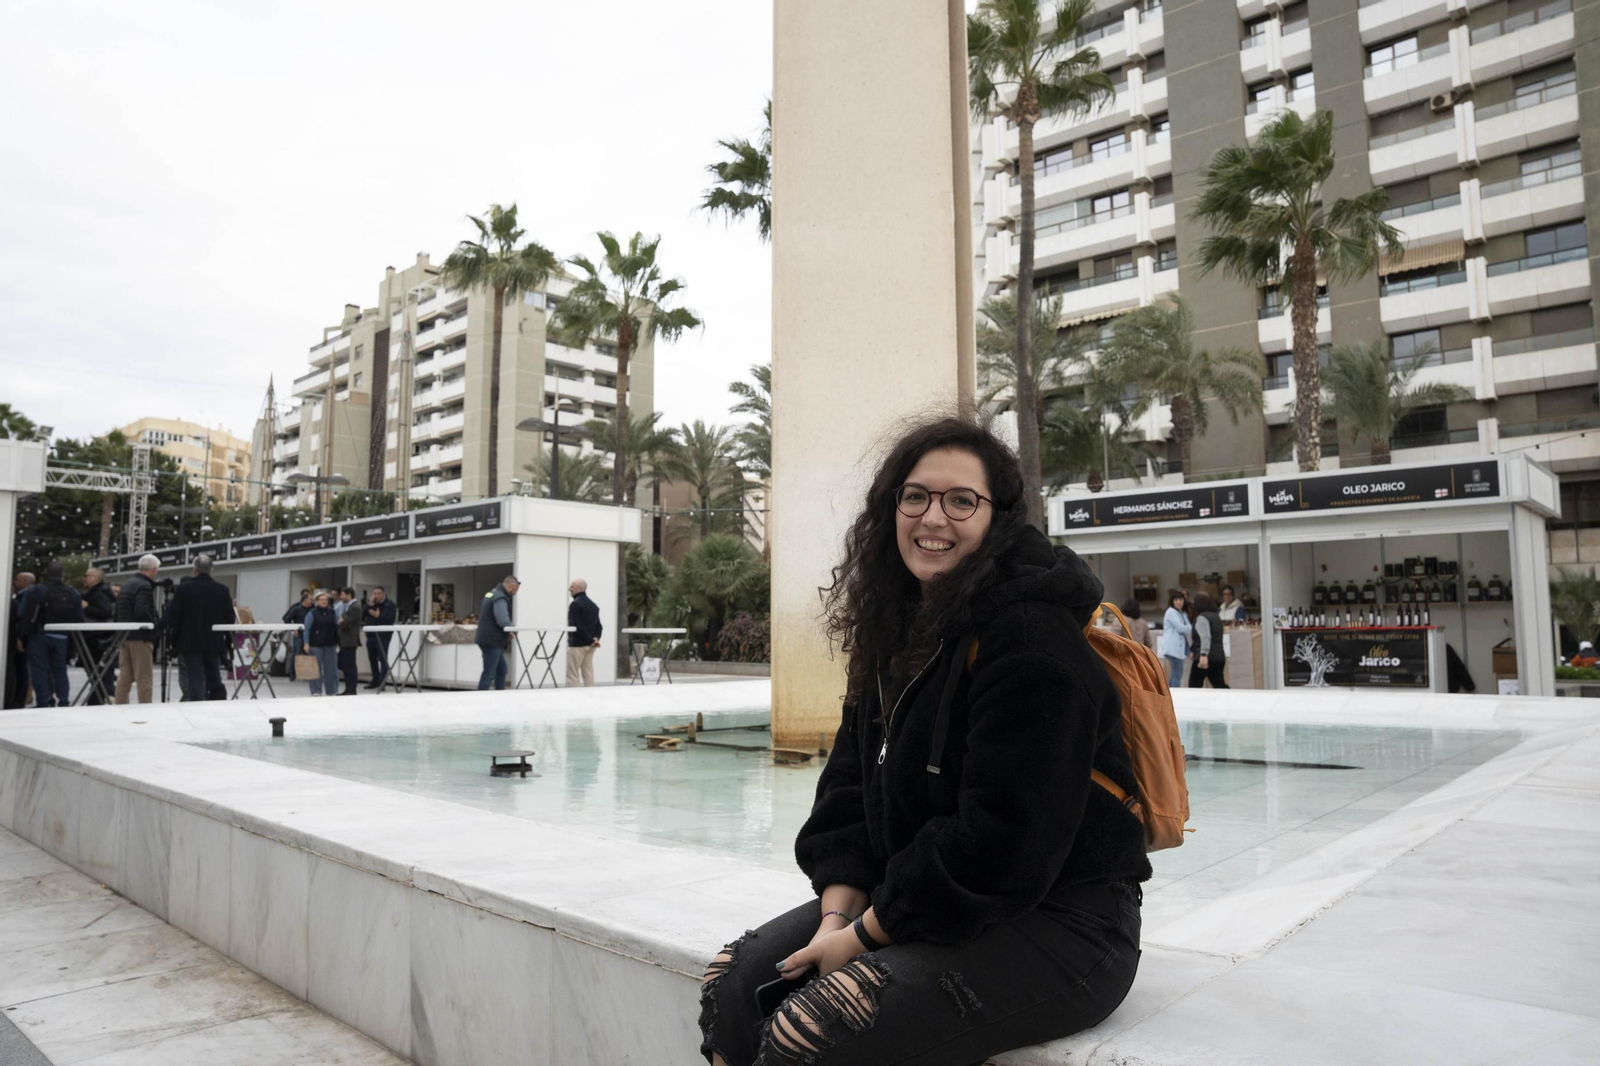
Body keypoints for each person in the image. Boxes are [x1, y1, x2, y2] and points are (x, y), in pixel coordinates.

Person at [698, 415, 1148, 1066]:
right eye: (916, 496)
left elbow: (1003, 848)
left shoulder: (1032, 644)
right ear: (891, 508)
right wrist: (835, 921)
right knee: (734, 982)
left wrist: (864, 938)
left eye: (961, 500)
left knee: (816, 1027)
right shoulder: (899, 632)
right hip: (922, 899)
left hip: (1065, 922)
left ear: (998, 518)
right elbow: (848, 797)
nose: (933, 517)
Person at [162, 555, 235, 701]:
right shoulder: (222, 590)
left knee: (195, 677)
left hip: (189, 640)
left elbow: (173, 616)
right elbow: (229, 618)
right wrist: (229, 643)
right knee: (214, 675)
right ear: (211, 569)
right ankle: (216, 702)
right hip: (214, 640)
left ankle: (198, 705)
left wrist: (170, 638)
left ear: (194, 569)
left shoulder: (183, 589)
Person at [17, 561, 83, 708]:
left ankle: (43, 702)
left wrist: (22, 635)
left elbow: (23, 613)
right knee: (60, 669)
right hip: (62, 636)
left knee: (39, 669)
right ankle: (64, 701)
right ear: (62, 575)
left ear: (46, 574)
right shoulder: (72, 592)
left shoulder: (35, 590)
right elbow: (78, 616)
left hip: (39, 634)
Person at [114, 556, 160, 704]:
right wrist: (154, 625)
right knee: (144, 677)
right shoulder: (144, 586)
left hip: (124, 635)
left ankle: (120, 706)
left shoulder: (126, 584)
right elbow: (142, 611)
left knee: (124, 677)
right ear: (153, 569)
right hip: (140, 637)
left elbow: (117, 612)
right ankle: (144, 709)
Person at [79, 567, 118, 705]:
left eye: (87, 575)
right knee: (103, 672)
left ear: (95, 578)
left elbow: (105, 612)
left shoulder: (98, 594)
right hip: (103, 639)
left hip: (97, 639)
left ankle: (102, 698)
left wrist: (86, 607)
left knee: (99, 672)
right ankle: (101, 698)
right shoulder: (104, 592)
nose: (84, 578)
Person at [474, 575, 518, 690]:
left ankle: (499, 696)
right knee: (489, 673)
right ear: (511, 585)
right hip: (492, 640)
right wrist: (512, 629)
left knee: (501, 670)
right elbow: (502, 619)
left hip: (487, 639)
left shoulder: (491, 593)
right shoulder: (500, 597)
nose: (515, 593)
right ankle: (479, 699)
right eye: (515, 590)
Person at [300, 591, 340, 697]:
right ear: (316, 601)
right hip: (315, 645)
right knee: (315, 669)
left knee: (331, 669)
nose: (324, 601)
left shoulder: (332, 612)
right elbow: (307, 629)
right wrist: (306, 643)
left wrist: (337, 641)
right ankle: (316, 690)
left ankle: (332, 690)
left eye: (326, 600)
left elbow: (335, 627)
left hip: (330, 645)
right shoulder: (312, 613)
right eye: (322, 600)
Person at [5, 572, 35, 709]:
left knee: (18, 670)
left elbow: (21, 619)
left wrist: (20, 637)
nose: (13, 582)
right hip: (19, 638)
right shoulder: (20, 598)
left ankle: (15, 699)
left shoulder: (22, 599)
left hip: (18, 639)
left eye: (17, 579)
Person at [565, 578, 602, 687]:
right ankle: (590, 696)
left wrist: (590, 640)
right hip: (591, 646)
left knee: (572, 674)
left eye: (572, 586)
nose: (569, 589)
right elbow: (599, 626)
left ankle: (574, 698)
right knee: (588, 673)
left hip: (577, 645)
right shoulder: (593, 605)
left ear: (579, 588)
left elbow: (576, 626)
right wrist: (595, 639)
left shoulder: (575, 604)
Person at [1189, 591, 1230, 689]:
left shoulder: (1202, 618)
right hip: (1219, 657)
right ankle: (1232, 701)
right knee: (1220, 685)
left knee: (1194, 685)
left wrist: (1203, 654)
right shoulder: (1216, 617)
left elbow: (1205, 637)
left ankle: (1195, 704)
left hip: (1205, 658)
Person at [362, 586, 396, 688]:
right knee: (372, 658)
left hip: (383, 636)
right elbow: (362, 615)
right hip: (371, 635)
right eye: (375, 593)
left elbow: (390, 620)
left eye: (378, 593)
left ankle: (382, 682)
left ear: (383, 594)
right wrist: (368, 606)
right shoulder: (372, 604)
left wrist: (379, 616)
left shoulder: (390, 605)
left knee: (382, 658)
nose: (376, 596)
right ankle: (375, 679)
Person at [1158, 590, 1192, 689]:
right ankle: (1175, 695)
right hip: (1173, 648)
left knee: (1175, 674)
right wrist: (1193, 627)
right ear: (1172, 601)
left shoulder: (1182, 613)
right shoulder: (1171, 612)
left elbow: (1185, 628)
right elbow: (1181, 628)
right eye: (1176, 600)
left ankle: (1171, 695)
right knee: (1177, 674)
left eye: (1180, 599)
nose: (1178, 602)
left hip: (1178, 649)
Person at [336, 588, 363, 695]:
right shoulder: (348, 606)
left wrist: (342, 621)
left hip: (350, 640)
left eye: (343, 595)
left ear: (349, 595)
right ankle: (349, 688)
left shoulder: (355, 607)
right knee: (344, 663)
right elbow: (342, 620)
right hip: (345, 640)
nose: (341, 597)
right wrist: (342, 620)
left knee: (349, 665)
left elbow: (345, 623)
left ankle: (351, 689)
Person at [282, 590, 312, 681]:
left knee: (308, 654)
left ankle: (306, 674)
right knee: (296, 653)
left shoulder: (312, 609)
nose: (312, 601)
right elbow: (286, 619)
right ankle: (292, 674)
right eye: (310, 599)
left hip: (309, 634)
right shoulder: (296, 608)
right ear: (305, 600)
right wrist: (293, 628)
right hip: (299, 634)